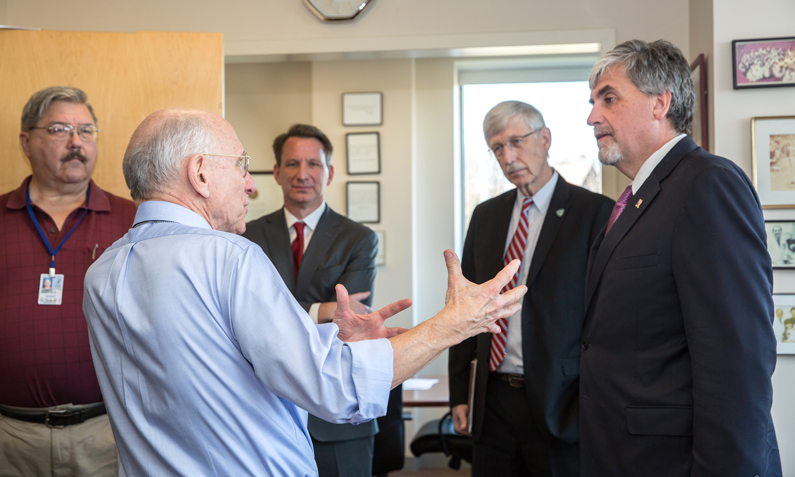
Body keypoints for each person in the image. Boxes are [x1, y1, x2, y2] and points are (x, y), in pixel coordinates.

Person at [82, 108, 527, 476]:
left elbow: (207, 365)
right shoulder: (228, 257)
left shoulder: (101, 274)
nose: (251, 182)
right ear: (200, 173)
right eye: (240, 164)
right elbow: (336, 389)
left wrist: (330, 339)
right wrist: (451, 324)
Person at [582, 39, 781, 476]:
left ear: (660, 103)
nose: (592, 116)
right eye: (593, 102)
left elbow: (737, 364)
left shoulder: (708, 185)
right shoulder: (635, 200)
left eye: (608, 99)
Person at [448, 101, 613, 476]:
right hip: (492, 402)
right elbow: (465, 308)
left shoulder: (594, 213)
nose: (508, 156)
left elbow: (606, 319)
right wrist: (461, 394)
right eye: (498, 148)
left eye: (517, 142)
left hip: (562, 401)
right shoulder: (486, 216)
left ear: (546, 139)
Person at [0, 86, 136, 477]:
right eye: (60, 129)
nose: (77, 142)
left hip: (105, 433)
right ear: (27, 141)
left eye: (87, 130)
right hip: (11, 437)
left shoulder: (132, 220)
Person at [243, 124, 379, 477]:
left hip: (337, 414)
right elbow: (245, 318)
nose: (302, 175)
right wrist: (320, 309)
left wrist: (280, 311)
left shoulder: (359, 239)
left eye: (313, 165)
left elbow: (350, 317)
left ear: (329, 172)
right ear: (276, 172)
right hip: (265, 411)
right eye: (291, 164)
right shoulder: (245, 236)